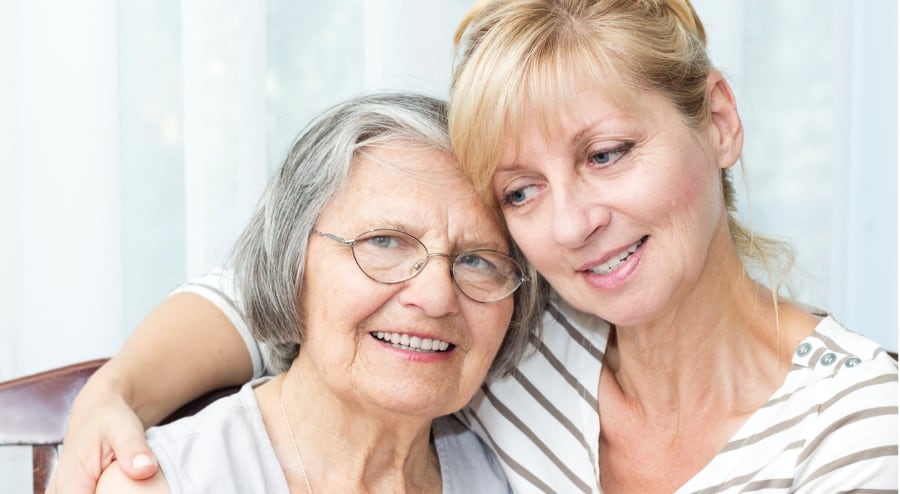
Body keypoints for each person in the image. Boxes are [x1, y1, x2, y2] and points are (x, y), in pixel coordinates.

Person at [49, 1, 897, 493]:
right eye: (521, 191)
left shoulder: (859, 425)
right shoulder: (527, 336)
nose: (570, 226)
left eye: (607, 155)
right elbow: (278, 287)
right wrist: (111, 392)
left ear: (717, 121)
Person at [91, 92, 543, 493]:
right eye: (384, 242)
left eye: (477, 260)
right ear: (292, 264)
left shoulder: (512, 475)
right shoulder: (168, 482)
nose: (436, 297)